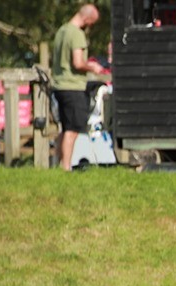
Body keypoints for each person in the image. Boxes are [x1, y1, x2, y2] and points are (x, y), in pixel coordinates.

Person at [52, 4, 108, 172]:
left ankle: (57, 164)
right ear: (87, 18)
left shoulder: (61, 31)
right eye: (91, 22)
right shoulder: (77, 34)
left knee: (64, 128)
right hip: (73, 87)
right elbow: (77, 63)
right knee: (72, 130)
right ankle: (66, 167)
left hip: (59, 85)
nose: (90, 26)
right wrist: (93, 67)